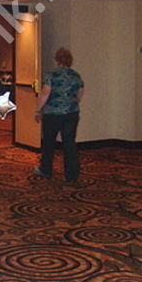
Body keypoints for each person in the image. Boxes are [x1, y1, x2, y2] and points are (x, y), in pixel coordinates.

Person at [34, 48, 84, 183]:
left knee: (49, 142)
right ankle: (71, 175)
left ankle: (46, 169)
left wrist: (38, 110)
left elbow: (45, 93)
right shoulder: (75, 75)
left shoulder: (51, 75)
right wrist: (73, 102)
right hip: (71, 113)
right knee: (69, 143)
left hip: (53, 113)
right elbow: (80, 92)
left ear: (57, 60)